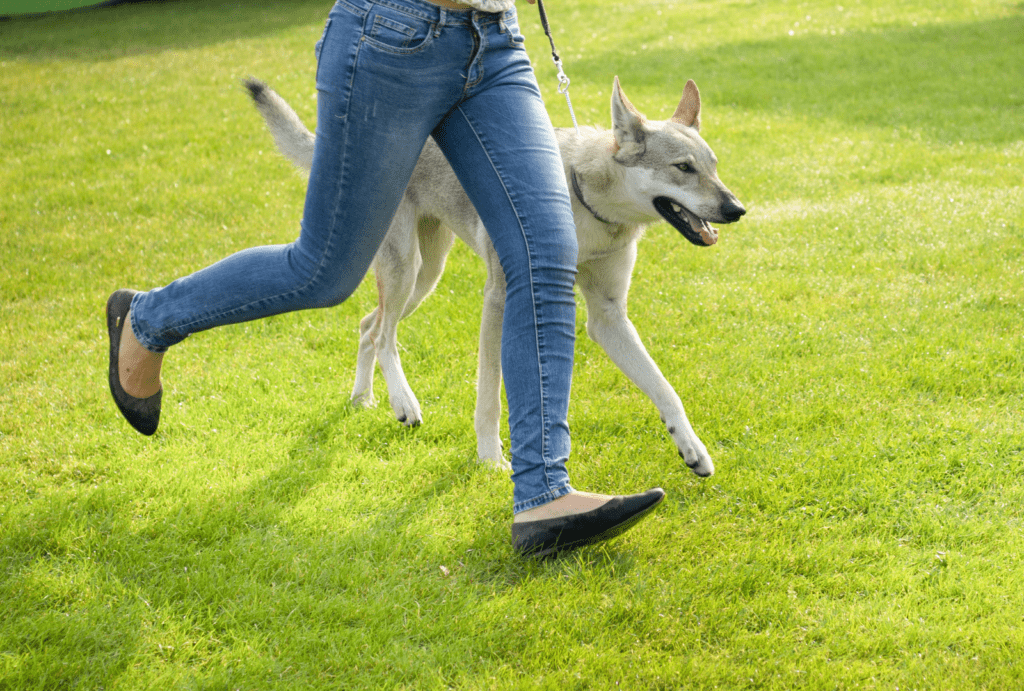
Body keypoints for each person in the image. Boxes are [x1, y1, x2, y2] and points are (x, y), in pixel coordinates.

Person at [106, 0, 664, 557]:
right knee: (322, 273)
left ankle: (543, 493)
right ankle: (149, 317)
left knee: (544, 252)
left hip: (493, 41)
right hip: (393, 37)